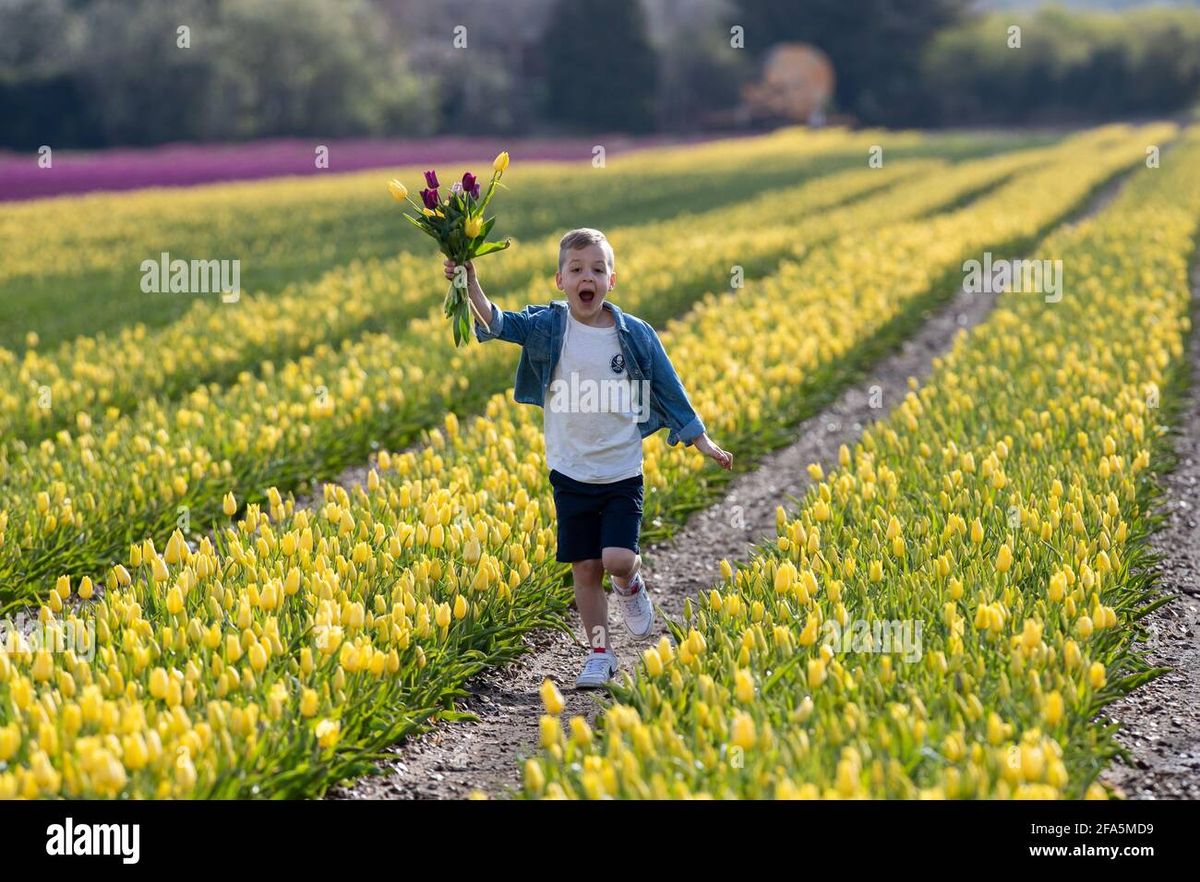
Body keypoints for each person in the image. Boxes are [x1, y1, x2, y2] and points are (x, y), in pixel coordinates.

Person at [445, 227, 733, 689]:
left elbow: (668, 387)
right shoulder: (549, 326)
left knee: (617, 559)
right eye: (577, 269)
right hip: (570, 471)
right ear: (560, 280)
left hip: (621, 471)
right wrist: (469, 281)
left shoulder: (635, 335)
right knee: (585, 569)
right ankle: (600, 652)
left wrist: (702, 440)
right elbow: (498, 322)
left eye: (598, 269)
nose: (588, 277)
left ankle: (631, 584)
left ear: (611, 280)